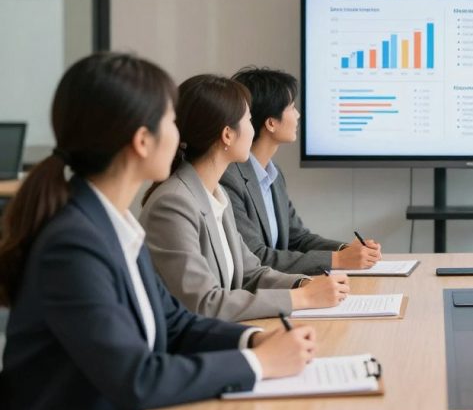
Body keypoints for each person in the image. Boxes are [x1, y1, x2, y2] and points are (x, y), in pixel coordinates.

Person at [0, 53, 315, 410]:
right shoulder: (72, 246)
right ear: (142, 141)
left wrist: (252, 341)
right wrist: (258, 363)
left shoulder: (112, 224)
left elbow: (176, 323)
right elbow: (137, 378)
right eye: (171, 121)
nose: (180, 134)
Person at [141, 75, 349, 322]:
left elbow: (252, 272)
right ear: (227, 135)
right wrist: (302, 298)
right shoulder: (173, 204)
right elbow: (204, 303)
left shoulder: (216, 195)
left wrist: (302, 284)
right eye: (249, 120)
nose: (253, 129)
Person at [220, 67, 381, 275]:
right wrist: (338, 259)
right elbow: (257, 257)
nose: (298, 115)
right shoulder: (230, 179)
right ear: (271, 123)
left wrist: (348, 250)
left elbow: (299, 238)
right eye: (291, 107)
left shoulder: (272, 173)